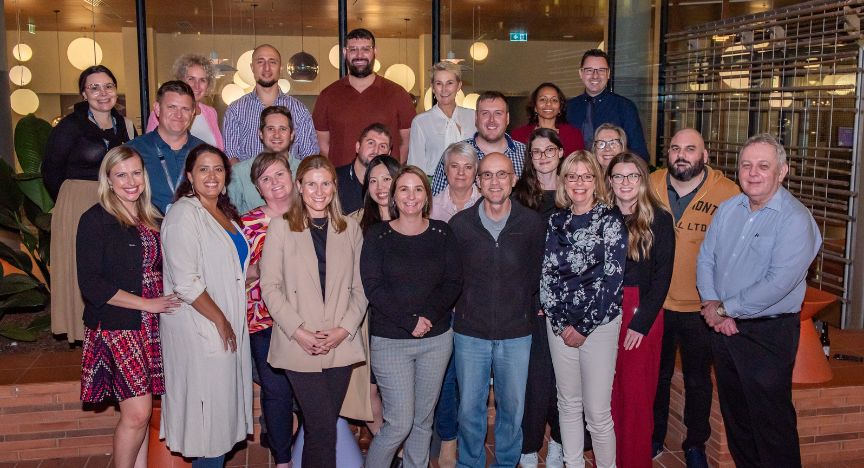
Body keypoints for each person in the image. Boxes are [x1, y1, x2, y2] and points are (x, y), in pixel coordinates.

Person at [697, 133, 821, 468]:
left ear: (782, 171)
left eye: (763, 166)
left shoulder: (795, 220)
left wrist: (725, 309)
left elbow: (778, 283)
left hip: (767, 336)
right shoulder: (728, 209)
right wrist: (712, 303)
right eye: (746, 165)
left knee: (771, 426)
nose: (753, 173)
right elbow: (706, 257)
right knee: (737, 421)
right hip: (723, 331)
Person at [259, 155, 370, 468]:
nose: (318, 191)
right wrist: (299, 332)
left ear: (334, 187)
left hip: (340, 342)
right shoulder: (281, 228)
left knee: (321, 429)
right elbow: (270, 287)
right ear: (299, 186)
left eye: (325, 183)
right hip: (298, 343)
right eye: (311, 183)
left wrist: (343, 330)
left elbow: (361, 288)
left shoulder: (350, 229)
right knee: (322, 428)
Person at [77, 146, 179, 468]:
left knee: (142, 413)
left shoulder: (154, 217)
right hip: (119, 325)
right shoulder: (95, 220)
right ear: (108, 179)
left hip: (150, 325)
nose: (131, 181)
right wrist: (147, 304)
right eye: (121, 174)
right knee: (136, 413)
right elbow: (92, 285)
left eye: (136, 173)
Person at [649, 128, 739, 466]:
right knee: (655, 377)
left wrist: (726, 303)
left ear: (705, 155)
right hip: (656, 304)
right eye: (675, 148)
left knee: (698, 380)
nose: (681, 155)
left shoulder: (728, 193)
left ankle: (695, 443)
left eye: (690, 148)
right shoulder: (652, 184)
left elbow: (735, 254)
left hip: (701, 308)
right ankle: (654, 435)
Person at [449, 153, 546, 467]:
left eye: (502, 174)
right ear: (478, 181)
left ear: (513, 179)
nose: (494, 182)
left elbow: (538, 274)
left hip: (516, 333)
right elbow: (450, 277)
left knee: (512, 410)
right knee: (469, 410)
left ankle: (507, 462)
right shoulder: (460, 225)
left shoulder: (531, 224)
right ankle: (470, 463)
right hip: (470, 333)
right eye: (487, 175)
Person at [361, 166, 462, 468]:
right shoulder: (377, 235)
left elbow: (453, 282)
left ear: (427, 196)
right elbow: (373, 287)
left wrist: (427, 317)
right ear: (393, 196)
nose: (411, 196)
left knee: (422, 421)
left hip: (436, 340)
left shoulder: (443, 232)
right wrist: (410, 321)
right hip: (391, 341)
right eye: (403, 188)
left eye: (418, 189)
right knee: (398, 423)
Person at [160, 144, 254, 467]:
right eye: (203, 169)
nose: (211, 176)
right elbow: (186, 282)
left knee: (220, 419)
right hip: (202, 327)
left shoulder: (223, 212)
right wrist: (221, 320)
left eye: (218, 169)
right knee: (209, 422)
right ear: (189, 175)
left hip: (224, 323)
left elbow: (235, 269)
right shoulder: (184, 214)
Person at [541, 150, 627, 468]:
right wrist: (561, 322)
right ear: (564, 181)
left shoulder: (611, 220)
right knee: (568, 404)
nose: (579, 182)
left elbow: (613, 280)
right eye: (572, 176)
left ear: (596, 181)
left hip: (600, 326)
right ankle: (572, 464)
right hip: (560, 327)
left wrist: (583, 326)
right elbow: (547, 274)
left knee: (597, 412)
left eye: (587, 176)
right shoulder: (556, 220)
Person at [44, 65, 136, 342]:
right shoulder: (70, 126)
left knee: (111, 264)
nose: (102, 93)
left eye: (108, 86)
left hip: (114, 201)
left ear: (116, 90)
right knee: (81, 267)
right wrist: (69, 199)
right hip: (78, 201)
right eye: (94, 88)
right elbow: (50, 170)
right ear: (84, 93)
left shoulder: (124, 125)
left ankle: (113, 323)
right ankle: (80, 329)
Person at [605, 152, 674, 468]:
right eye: (618, 176)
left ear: (643, 179)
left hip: (641, 313)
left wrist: (640, 323)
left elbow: (662, 278)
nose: (625, 182)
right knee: (608, 394)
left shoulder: (659, 218)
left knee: (635, 396)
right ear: (610, 181)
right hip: (605, 312)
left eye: (632, 175)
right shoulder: (601, 216)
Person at [512, 128, 565, 468]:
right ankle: (529, 448)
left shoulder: (575, 190)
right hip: (530, 300)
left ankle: (560, 443)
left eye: (549, 150)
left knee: (564, 377)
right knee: (534, 376)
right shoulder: (519, 194)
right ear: (529, 158)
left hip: (567, 301)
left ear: (561, 152)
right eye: (536, 152)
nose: (543, 156)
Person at [240, 152, 295, 468]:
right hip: (263, 320)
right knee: (275, 391)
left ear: (291, 176)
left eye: (279, 174)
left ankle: (305, 451)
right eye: (266, 179)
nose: (274, 183)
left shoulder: (311, 214)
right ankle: (283, 461)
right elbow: (235, 273)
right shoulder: (247, 224)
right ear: (258, 188)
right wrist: (261, 268)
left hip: (306, 320)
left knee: (305, 392)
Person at [426, 141, 479, 468]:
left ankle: (468, 439)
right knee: (445, 378)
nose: (461, 172)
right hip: (442, 309)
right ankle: (447, 439)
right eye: (454, 166)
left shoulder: (489, 203)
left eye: (468, 166)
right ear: (445, 170)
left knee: (471, 379)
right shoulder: (430, 206)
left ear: (476, 171)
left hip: (478, 309)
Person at [314, 28, 416, 166]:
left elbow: (407, 142)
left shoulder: (398, 94)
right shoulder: (327, 95)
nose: (359, 55)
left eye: (365, 49)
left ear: (375, 52)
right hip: (342, 183)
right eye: (353, 49)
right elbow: (322, 144)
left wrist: (391, 170)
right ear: (345, 53)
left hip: (385, 182)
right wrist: (338, 173)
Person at [223, 44, 318, 164]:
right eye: (260, 62)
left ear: (281, 67)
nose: (266, 68)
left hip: (290, 182)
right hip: (248, 182)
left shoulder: (299, 110)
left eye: (272, 62)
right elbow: (231, 158)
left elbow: (309, 158)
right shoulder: (235, 110)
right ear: (252, 67)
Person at [127, 80, 204, 214]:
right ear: (157, 108)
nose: (178, 115)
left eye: (185, 109)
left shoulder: (205, 153)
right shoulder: (133, 151)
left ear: (193, 113)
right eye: (172, 107)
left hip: (194, 230)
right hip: (146, 230)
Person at [431, 91, 526, 196]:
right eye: (485, 113)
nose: (491, 120)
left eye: (498, 113)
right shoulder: (454, 155)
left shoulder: (525, 154)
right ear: (476, 118)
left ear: (507, 118)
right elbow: (435, 202)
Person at [565, 49, 648, 158]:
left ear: (608, 73)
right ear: (581, 73)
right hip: (576, 173)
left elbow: (639, 153)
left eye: (601, 70)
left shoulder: (625, 107)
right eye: (589, 70)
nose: (595, 76)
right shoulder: (568, 108)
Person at [407, 61, 476, 175]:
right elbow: (415, 165)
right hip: (434, 188)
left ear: (459, 86)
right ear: (433, 87)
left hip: (470, 186)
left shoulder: (473, 117)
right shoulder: (421, 122)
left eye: (450, 83)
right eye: (439, 83)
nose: (444, 89)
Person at [145, 54, 224, 149]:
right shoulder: (161, 113)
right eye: (191, 79)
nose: (197, 86)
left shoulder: (211, 113)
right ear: (181, 79)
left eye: (202, 80)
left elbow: (220, 150)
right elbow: (150, 149)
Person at [229, 106, 295, 214]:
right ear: (260, 133)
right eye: (270, 129)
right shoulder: (238, 172)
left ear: (291, 135)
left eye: (283, 129)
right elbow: (232, 217)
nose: (276, 135)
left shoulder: (304, 169)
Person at [510, 83, 584, 155]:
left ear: (560, 108)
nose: (548, 103)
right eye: (543, 99)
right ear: (535, 107)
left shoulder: (574, 135)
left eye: (554, 100)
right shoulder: (518, 136)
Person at [336, 123, 393, 215]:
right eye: (371, 143)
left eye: (382, 146)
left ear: (389, 153)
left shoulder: (395, 184)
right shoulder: (335, 179)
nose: (376, 150)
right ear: (358, 147)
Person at [356, 155, 401, 234]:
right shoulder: (355, 222)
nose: (379, 187)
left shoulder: (412, 219)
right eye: (373, 181)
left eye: (386, 179)